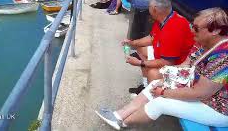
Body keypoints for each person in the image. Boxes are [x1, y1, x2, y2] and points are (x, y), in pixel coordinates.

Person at [95, 7, 228, 130]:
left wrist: (164, 92)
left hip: (218, 108)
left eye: (196, 28)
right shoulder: (206, 43)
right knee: (155, 83)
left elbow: (200, 93)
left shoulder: (223, 58)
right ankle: (119, 115)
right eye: (192, 25)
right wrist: (166, 82)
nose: (192, 30)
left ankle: (123, 123)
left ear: (215, 31)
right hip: (202, 91)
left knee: (160, 103)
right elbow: (187, 65)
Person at [122, 0, 194, 95]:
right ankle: (145, 85)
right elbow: (152, 38)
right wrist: (132, 43)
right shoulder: (163, 18)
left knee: (153, 73)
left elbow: (168, 62)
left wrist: (139, 63)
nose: (148, 9)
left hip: (180, 64)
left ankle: (150, 96)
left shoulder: (174, 28)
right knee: (141, 49)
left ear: (154, 9)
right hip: (166, 55)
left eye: (149, 7)